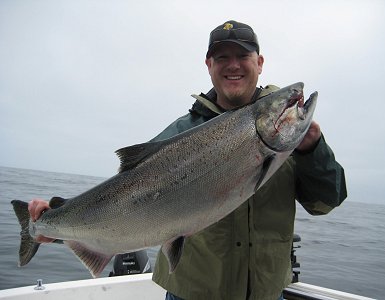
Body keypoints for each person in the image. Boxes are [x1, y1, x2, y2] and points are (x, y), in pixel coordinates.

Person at [28, 20, 347, 300]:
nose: (232, 65)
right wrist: (52, 227)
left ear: (260, 62)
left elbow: (326, 202)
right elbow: (122, 201)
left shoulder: (296, 139)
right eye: (223, 57)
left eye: (243, 56)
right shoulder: (180, 133)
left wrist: (312, 149)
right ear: (209, 64)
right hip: (192, 294)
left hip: (264, 293)